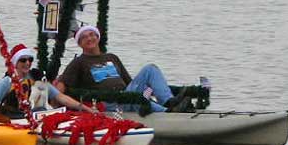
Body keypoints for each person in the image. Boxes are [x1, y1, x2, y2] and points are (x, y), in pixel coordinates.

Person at [55, 25, 190, 113]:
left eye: (92, 34)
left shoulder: (112, 57)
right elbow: (61, 85)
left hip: (126, 95)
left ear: (97, 37)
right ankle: (167, 113)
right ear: (80, 44)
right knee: (137, 96)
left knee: (150, 69)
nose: (89, 38)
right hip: (110, 104)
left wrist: (148, 92)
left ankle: (168, 103)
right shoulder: (79, 62)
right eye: (84, 37)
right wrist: (54, 104)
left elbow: (130, 83)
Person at [0, 44, 99, 117]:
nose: (27, 63)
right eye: (23, 60)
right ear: (15, 64)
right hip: (12, 118)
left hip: (35, 116)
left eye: (30, 60)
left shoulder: (37, 79)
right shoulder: (7, 82)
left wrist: (87, 109)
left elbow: (61, 98)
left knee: (40, 86)